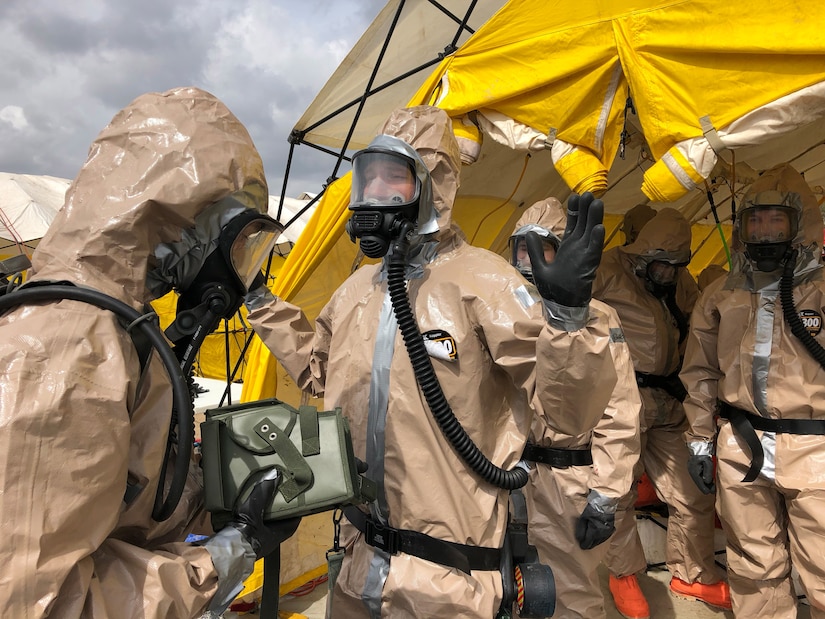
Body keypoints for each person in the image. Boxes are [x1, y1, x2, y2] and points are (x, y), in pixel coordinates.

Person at [245, 105, 620, 618]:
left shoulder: (484, 284)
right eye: (367, 180)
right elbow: (318, 373)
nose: (375, 195)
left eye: (392, 180)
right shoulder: (356, 292)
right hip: (359, 562)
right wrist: (259, 302)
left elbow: (568, 416)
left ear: (431, 185)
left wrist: (569, 321)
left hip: (448, 579)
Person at [0, 87, 299, 618]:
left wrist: (216, 494)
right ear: (187, 222)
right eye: (239, 242)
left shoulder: (122, 329)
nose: (238, 271)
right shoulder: (63, 349)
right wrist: (232, 551)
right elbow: (43, 606)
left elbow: (127, 508)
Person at [682, 163, 825, 617]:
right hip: (741, 446)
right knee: (753, 565)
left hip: (815, 446)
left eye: (776, 219)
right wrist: (701, 441)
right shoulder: (722, 293)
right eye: (755, 220)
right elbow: (701, 370)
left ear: (800, 224)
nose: (764, 232)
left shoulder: (820, 290)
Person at [593, 207, 732, 617]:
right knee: (616, 489)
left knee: (692, 491)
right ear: (640, 254)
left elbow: (700, 315)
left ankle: (692, 575)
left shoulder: (678, 280)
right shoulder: (606, 271)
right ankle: (624, 575)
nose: (670, 274)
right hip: (620, 399)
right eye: (662, 265)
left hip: (670, 399)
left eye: (677, 266)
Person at [510, 198, 642, 619]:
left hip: (566, 484)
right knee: (504, 589)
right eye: (522, 248)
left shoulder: (599, 319)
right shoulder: (496, 313)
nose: (530, 260)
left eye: (545, 249)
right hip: (504, 476)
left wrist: (606, 496)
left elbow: (618, 412)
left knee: (570, 596)